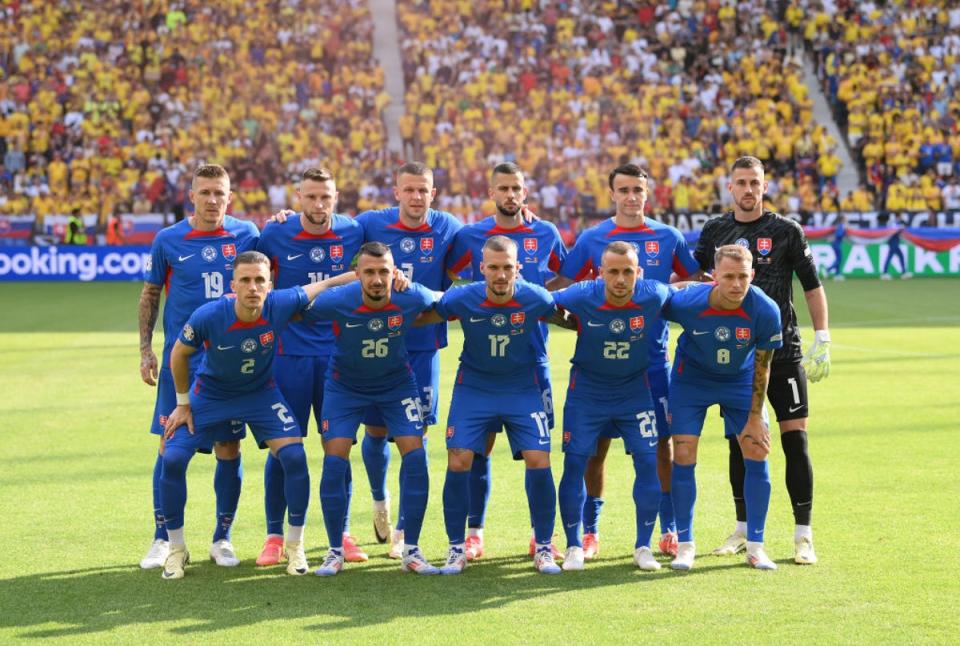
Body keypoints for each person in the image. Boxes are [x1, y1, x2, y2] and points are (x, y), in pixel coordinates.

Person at [552, 163, 706, 560]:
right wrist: (592, 325)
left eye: (638, 189)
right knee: (596, 448)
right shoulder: (593, 238)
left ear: (647, 193)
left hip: (653, 362)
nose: (631, 196)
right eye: (623, 189)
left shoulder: (667, 237)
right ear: (613, 194)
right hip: (600, 369)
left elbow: (693, 284)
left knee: (660, 447)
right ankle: (590, 531)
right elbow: (566, 291)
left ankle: (668, 529)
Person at [160, 250, 334, 579]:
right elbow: (179, 353)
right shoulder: (209, 315)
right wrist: (183, 404)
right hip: (210, 395)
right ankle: (176, 549)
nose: (253, 287)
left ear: (270, 285)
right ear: (233, 285)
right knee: (172, 459)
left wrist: (358, 275)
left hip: (260, 394)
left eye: (259, 281)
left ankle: (294, 545)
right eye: (246, 280)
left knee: (294, 457)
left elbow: (321, 286)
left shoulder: (278, 305)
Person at [694, 156, 830, 565]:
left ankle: (803, 535)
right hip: (735, 355)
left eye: (755, 182)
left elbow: (811, 286)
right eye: (741, 182)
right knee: (741, 443)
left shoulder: (786, 231)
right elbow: (698, 278)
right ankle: (742, 528)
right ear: (729, 187)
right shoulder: (715, 230)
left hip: (784, 351)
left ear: (764, 186)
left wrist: (821, 336)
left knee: (795, 440)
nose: (748, 189)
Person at [137, 164, 259, 570]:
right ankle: (162, 537)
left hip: (228, 362)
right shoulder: (168, 239)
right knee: (169, 445)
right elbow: (151, 293)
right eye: (204, 192)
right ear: (191, 195)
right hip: (180, 361)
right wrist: (146, 350)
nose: (212, 200)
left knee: (229, 446)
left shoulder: (246, 235)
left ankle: (222, 538)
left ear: (229, 197)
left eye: (219, 193)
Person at [445, 161, 567, 561]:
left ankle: (540, 538)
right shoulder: (470, 235)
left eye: (516, 188)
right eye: (503, 188)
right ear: (492, 192)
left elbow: (564, 278)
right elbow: (446, 277)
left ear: (525, 192)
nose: (510, 195)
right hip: (482, 363)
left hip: (533, 360)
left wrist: (539, 301)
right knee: (476, 448)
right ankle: (474, 532)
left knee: (537, 450)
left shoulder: (545, 232)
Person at [420, 236, 563, 575]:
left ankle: (543, 546)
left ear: (518, 268)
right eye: (494, 267)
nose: (500, 275)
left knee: (539, 457)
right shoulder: (464, 297)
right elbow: (426, 311)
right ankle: (456, 548)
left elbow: (570, 315)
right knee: (459, 458)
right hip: (475, 388)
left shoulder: (536, 298)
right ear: (481, 268)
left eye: (507, 267)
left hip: (522, 388)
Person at [302, 242, 440, 576]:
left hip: (396, 385)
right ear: (358, 275)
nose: (378, 279)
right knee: (334, 461)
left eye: (384, 272)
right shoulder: (339, 300)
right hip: (344, 387)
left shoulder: (411, 296)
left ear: (395, 273)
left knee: (417, 456)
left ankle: (412, 549)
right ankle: (334, 551)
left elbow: (447, 302)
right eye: (369, 272)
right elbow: (292, 307)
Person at [255, 167, 366, 566]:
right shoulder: (274, 233)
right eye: (312, 197)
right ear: (298, 196)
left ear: (337, 197)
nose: (320, 205)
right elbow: (255, 277)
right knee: (282, 448)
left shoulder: (354, 231)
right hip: (288, 355)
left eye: (327, 197)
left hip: (338, 356)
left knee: (338, 448)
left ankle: (343, 533)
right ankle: (273, 536)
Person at [353, 163, 462, 558]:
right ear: (396, 192)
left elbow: (490, 238)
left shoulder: (448, 227)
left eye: (424, 190)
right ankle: (380, 501)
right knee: (377, 431)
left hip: (423, 346)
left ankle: (402, 529)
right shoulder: (369, 224)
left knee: (415, 438)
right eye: (410, 190)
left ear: (434, 193)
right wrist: (285, 217)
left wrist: (524, 213)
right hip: (376, 343)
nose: (417, 197)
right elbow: (325, 228)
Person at [553, 241, 671, 571]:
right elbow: (543, 303)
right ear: (600, 273)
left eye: (628, 272)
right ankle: (575, 545)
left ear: (639, 273)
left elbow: (687, 293)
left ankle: (643, 547)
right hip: (586, 393)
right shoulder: (580, 294)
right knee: (575, 464)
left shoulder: (653, 294)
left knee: (648, 463)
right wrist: (569, 319)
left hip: (635, 392)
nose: (620, 279)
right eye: (613, 272)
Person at [664, 244, 783, 571]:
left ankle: (756, 547)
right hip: (692, 381)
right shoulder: (688, 302)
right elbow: (653, 301)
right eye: (728, 277)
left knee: (758, 450)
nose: (736, 284)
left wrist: (756, 416)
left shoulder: (765, 310)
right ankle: (685, 545)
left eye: (743, 277)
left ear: (752, 276)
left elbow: (764, 365)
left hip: (741, 382)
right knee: (684, 454)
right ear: (714, 277)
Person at [881, 214, 912, 279]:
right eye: (900, 216)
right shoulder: (893, 223)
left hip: (895, 242)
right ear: (897, 217)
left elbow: (903, 227)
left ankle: (903, 272)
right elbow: (897, 229)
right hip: (893, 242)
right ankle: (885, 273)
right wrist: (902, 226)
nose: (901, 218)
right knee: (890, 256)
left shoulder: (897, 223)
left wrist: (902, 224)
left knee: (899, 256)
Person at [829, 215, 847, 280]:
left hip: (836, 244)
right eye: (845, 219)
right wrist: (845, 233)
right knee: (839, 259)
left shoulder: (839, 226)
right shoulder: (841, 226)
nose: (846, 220)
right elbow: (838, 235)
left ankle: (837, 274)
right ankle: (828, 269)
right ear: (842, 220)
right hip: (837, 244)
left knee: (838, 259)